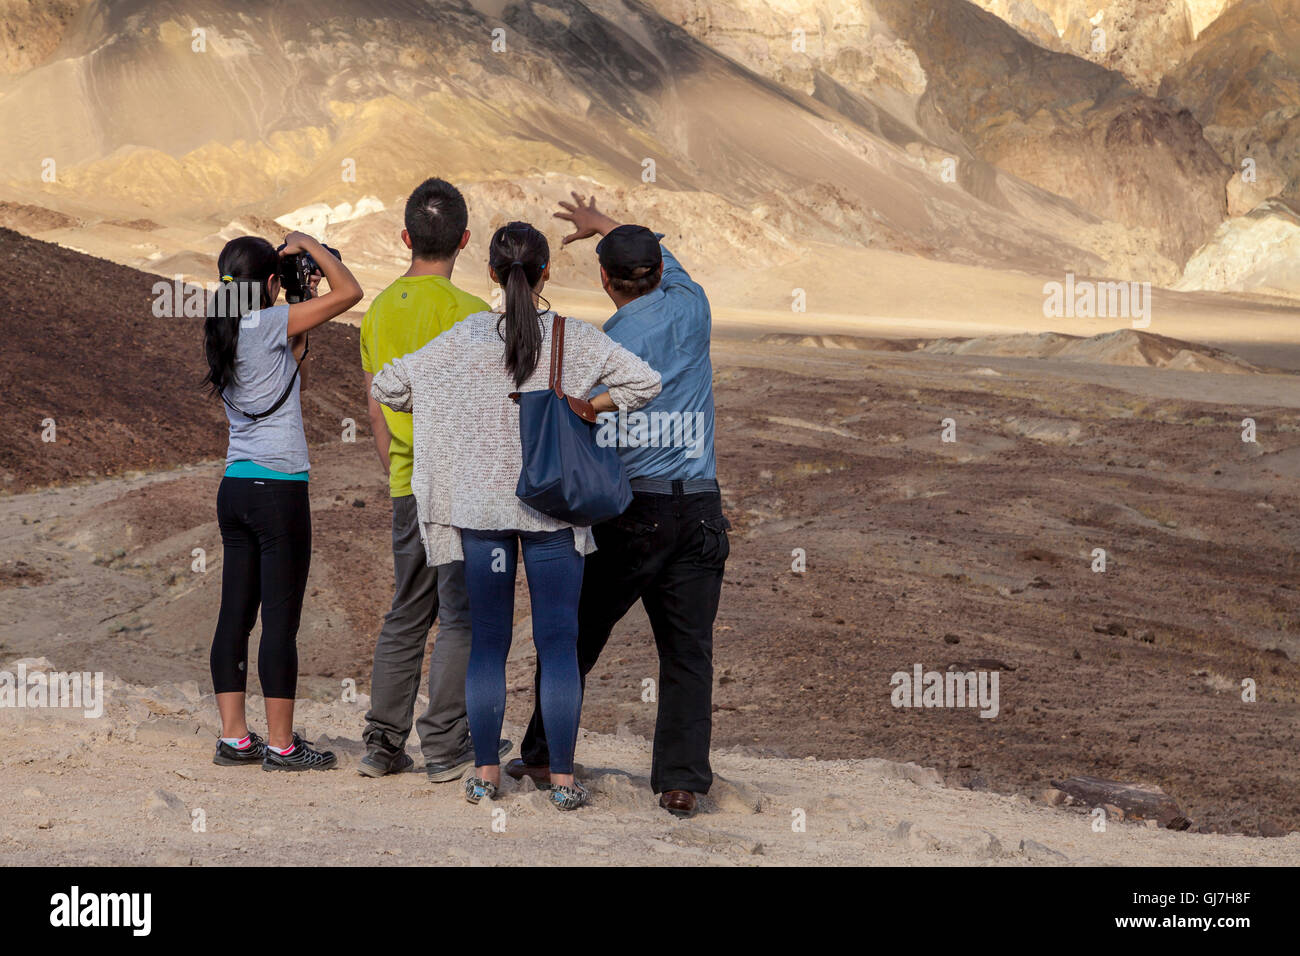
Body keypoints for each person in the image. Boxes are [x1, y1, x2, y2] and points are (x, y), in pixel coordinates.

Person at [370, 221, 661, 811]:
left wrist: (450, 405)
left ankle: (483, 774)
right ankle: (561, 779)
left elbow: (389, 386)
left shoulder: (462, 339)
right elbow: (646, 382)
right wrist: (588, 404)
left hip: (482, 513)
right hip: (554, 511)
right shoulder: (575, 339)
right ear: (547, 271)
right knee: (557, 644)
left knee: (487, 646)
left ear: (494, 274)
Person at [512, 195, 729, 817]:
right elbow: (658, 254)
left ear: (604, 280)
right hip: (702, 510)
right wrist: (606, 224)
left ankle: (538, 754)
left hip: (633, 512)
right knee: (687, 652)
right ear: (660, 272)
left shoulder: (612, 341)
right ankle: (681, 783)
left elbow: (581, 410)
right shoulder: (695, 305)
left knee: (576, 636)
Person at [358, 177, 511, 782]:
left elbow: (376, 409)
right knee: (460, 616)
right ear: (465, 241)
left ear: (405, 238)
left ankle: (381, 742)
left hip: (407, 483)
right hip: (460, 489)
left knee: (405, 612)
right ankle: (445, 747)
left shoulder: (377, 312)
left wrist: (398, 472)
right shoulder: (475, 316)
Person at [203, 231, 363, 771]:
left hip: (236, 487)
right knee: (280, 623)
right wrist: (310, 246)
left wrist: (294, 297)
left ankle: (235, 738)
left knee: (234, 616)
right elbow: (350, 294)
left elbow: (291, 374)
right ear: (270, 284)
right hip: (280, 489)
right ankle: (282, 745)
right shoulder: (268, 322)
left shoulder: (222, 327)